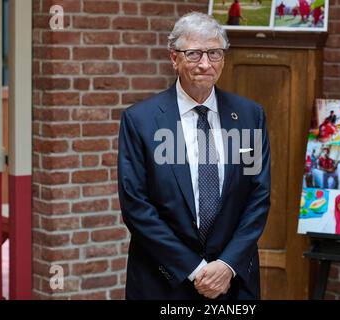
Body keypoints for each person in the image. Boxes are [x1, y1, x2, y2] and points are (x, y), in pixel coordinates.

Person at [118, 12, 271, 300]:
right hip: (163, 280)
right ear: (174, 58)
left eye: (214, 53)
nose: (205, 64)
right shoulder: (140, 121)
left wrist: (226, 266)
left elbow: (258, 196)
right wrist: (194, 269)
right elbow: (136, 206)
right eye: (194, 54)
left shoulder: (250, 117)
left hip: (232, 281)